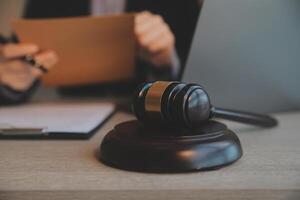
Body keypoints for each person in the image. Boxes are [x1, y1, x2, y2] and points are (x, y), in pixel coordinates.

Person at [0, 0, 201, 105]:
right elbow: (22, 59)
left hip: (144, 115)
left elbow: (201, 75)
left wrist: (167, 61)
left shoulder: (181, 3)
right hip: (68, 111)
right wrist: (10, 82)